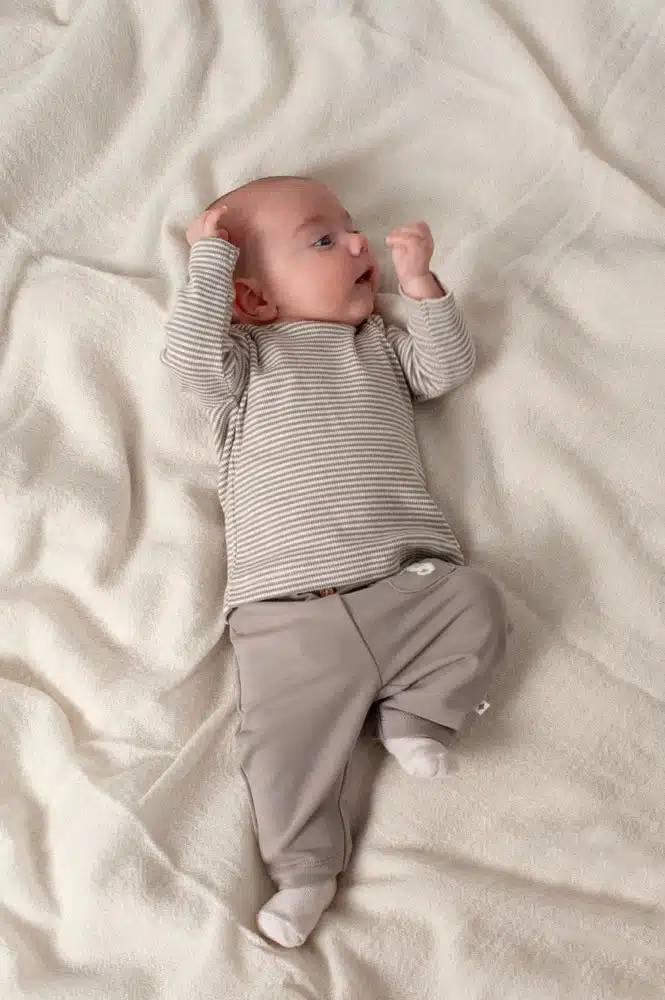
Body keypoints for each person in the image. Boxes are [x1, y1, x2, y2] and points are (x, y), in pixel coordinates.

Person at [162, 175, 509, 947]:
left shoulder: (376, 343)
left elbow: (444, 369)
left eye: (351, 228)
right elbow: (186, 354)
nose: (358, 243)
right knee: (279, 754)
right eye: (323, 239)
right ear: (252, 297)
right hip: (285, 616)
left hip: (404, 587)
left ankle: (416, 717)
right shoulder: (241, 363)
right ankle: (305, 874)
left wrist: (420, 286)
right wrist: (209, 264)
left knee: (478, 600)